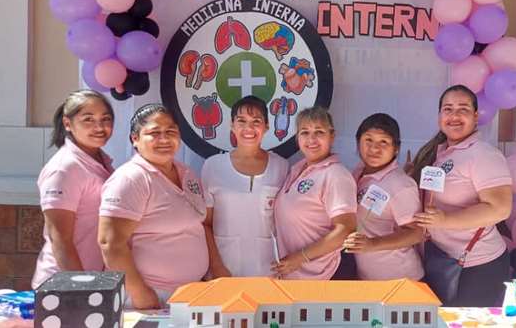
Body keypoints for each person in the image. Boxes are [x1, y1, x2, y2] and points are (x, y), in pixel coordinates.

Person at [409, 85, 513, 306]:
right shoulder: (442, 152)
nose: (454, 116)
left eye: (463, 109)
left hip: (479, 266)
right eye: (447, 109)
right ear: (439, 116)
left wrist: (445, 221)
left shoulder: (484, 155)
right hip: (443, 259)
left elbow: (500, 208)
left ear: (475, 116)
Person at [98, 104, 208, 309]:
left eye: (171, 132)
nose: (164, 139)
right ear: (135, 139)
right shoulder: (131, 178)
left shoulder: (187, 173)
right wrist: (140, 293)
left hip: (189, 294)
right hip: (149, 295)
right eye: (154, 133)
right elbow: (110, 243)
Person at [32, 90, 114, 288]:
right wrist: (83, 290)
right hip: (64, 287)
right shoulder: (64, 168)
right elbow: (59, 238)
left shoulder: (101, 161)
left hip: (92, 283)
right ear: (68, 124)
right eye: (88, 120)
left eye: (106, 119)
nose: (100, 127)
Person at [201, 96, 289, 278]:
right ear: (232, 125)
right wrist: (217, 266)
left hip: (268, 268)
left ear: (266, 126)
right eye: (241, 121)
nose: (248, 128)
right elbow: (205, 224)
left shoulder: (281, 166)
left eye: (256, 121)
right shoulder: (213, 166)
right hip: (224, 268)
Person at [271, 107, 357, 279]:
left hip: (327, 274)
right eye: (305, 132)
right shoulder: (296, 169)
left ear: (331, 136)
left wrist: (300, 258)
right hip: (297, 275)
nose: (312, 139)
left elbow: (345, 230)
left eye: (319, 132)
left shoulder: (336, 174)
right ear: (297, 138)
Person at [343, 113, 425, 280]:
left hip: (401, 281)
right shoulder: (358, 172)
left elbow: (416, 233)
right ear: (358, 142)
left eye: (384, 142)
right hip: (368, 278)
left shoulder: (401, 184)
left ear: (396, 148)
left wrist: (372, 244)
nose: (374, 149)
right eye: (368, 140)